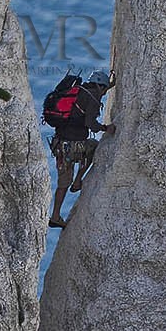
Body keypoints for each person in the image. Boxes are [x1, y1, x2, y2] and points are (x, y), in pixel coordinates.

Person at [48, 70, 115, 228]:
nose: (104, 93)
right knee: (94, 147)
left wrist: (109, 85)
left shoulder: (78, 91)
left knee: (63, 183)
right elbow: (90, 123)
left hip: (59, 145)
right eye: (104, 90)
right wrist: (106, 128)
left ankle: (55, 216)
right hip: (74, 145)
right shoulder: (93, 96)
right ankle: (78, 180)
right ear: (100, 87)